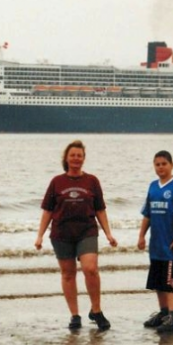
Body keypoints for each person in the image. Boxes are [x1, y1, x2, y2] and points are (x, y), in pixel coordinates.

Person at [35, 140, 118, 331]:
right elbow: (47, 211)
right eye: (72, 155)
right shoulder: (57, 182)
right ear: (66, 158)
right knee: (68, 274)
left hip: (86, 231)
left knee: (90, 268)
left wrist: (108, 234)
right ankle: (75, 315)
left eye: (79, 155)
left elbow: (100, 209)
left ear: (84, 158)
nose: (76, 158)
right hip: (61, 233)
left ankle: (96, 310)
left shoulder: (92, 181)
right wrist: (39, 236)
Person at [138, 151, 173, 334]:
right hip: (156, 245)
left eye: (164, 164)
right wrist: (141, 236)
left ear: (171, 165)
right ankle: (163, 312)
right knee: (158, 281)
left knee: (170, 281)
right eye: (157, 164)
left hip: (172, 246)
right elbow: (147, 215)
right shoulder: (153, 187)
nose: (160, 167)